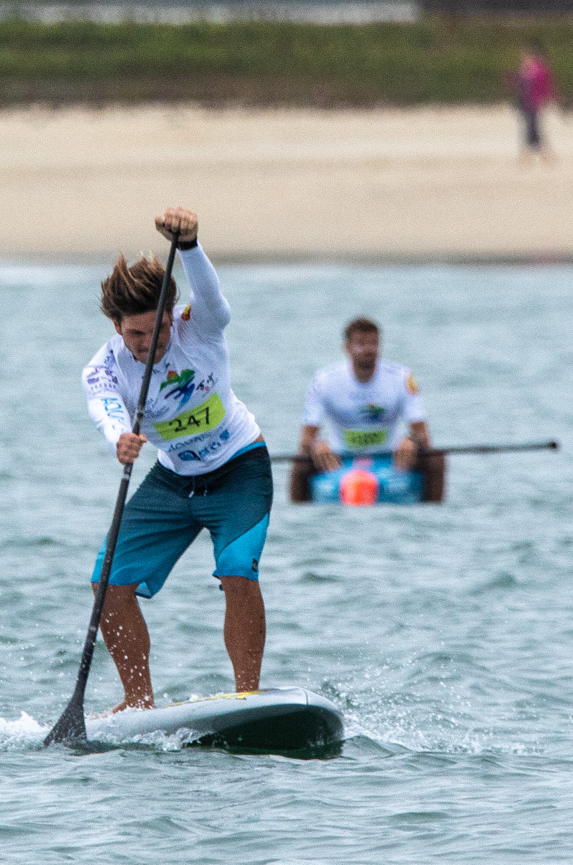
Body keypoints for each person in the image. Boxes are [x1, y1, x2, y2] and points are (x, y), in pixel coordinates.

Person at [82, 207, 272, 711]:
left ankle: (247, 695)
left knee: (237, 571)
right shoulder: (105, 367)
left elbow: (212, 298)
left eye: (157, 331)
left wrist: (189, 246)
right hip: (174, 481)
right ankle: (138, 699)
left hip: (239, 468)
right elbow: (104, 408)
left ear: (172, 314)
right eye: (135, 335)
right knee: (106, 583)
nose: (148, 344)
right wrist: (119, 436)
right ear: (115, 325)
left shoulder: (200, 327)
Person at [293, 317, 438, 505]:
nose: (369, 350)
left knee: (436, 459)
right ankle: (299, 517)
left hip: (391, 458)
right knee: (299, 465)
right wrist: (316, 444)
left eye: (373, 343)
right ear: (346, 347)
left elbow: (423, 435)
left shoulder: (401, 378)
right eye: (361, 344)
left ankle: (435, 514)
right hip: (339, 459)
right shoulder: (324, 381)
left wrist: (411, 440)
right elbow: (305, 440)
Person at [514, 40, 556, 163]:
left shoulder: (538, 70)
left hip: (533, 102)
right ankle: (542, 155)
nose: (523, 58)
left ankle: (532, 155)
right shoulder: (527, 70)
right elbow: (521, 85)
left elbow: (545, 86)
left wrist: (546, 99)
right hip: (525, 102)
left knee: (532, 128)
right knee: (532, 128)